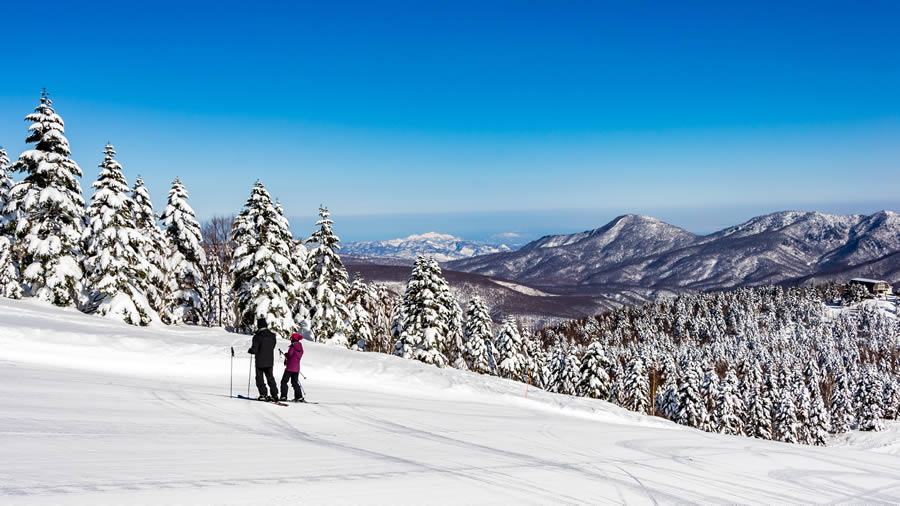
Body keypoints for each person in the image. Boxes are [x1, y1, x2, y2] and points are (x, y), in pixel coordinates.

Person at [248, 317, 278, 401]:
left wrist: (251, 350)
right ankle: (275, 394)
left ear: (258, 326)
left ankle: (263, 394)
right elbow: (273, 346)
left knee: (259, 378)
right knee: (270, 377)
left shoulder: (257, 337)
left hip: (260, 361)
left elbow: (255, 349)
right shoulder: (272, 336)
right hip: (269, 361)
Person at [280, 333, 305, 402]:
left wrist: (286, 355)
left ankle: (283, 396)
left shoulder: (293, 346)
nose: (290, 340)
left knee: (284, 382)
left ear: (293, 339)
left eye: (291, 338)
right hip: (296, 368)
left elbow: (290, 355)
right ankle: (299, 397)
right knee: (295, 382)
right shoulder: (301, 348)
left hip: (290, 367)